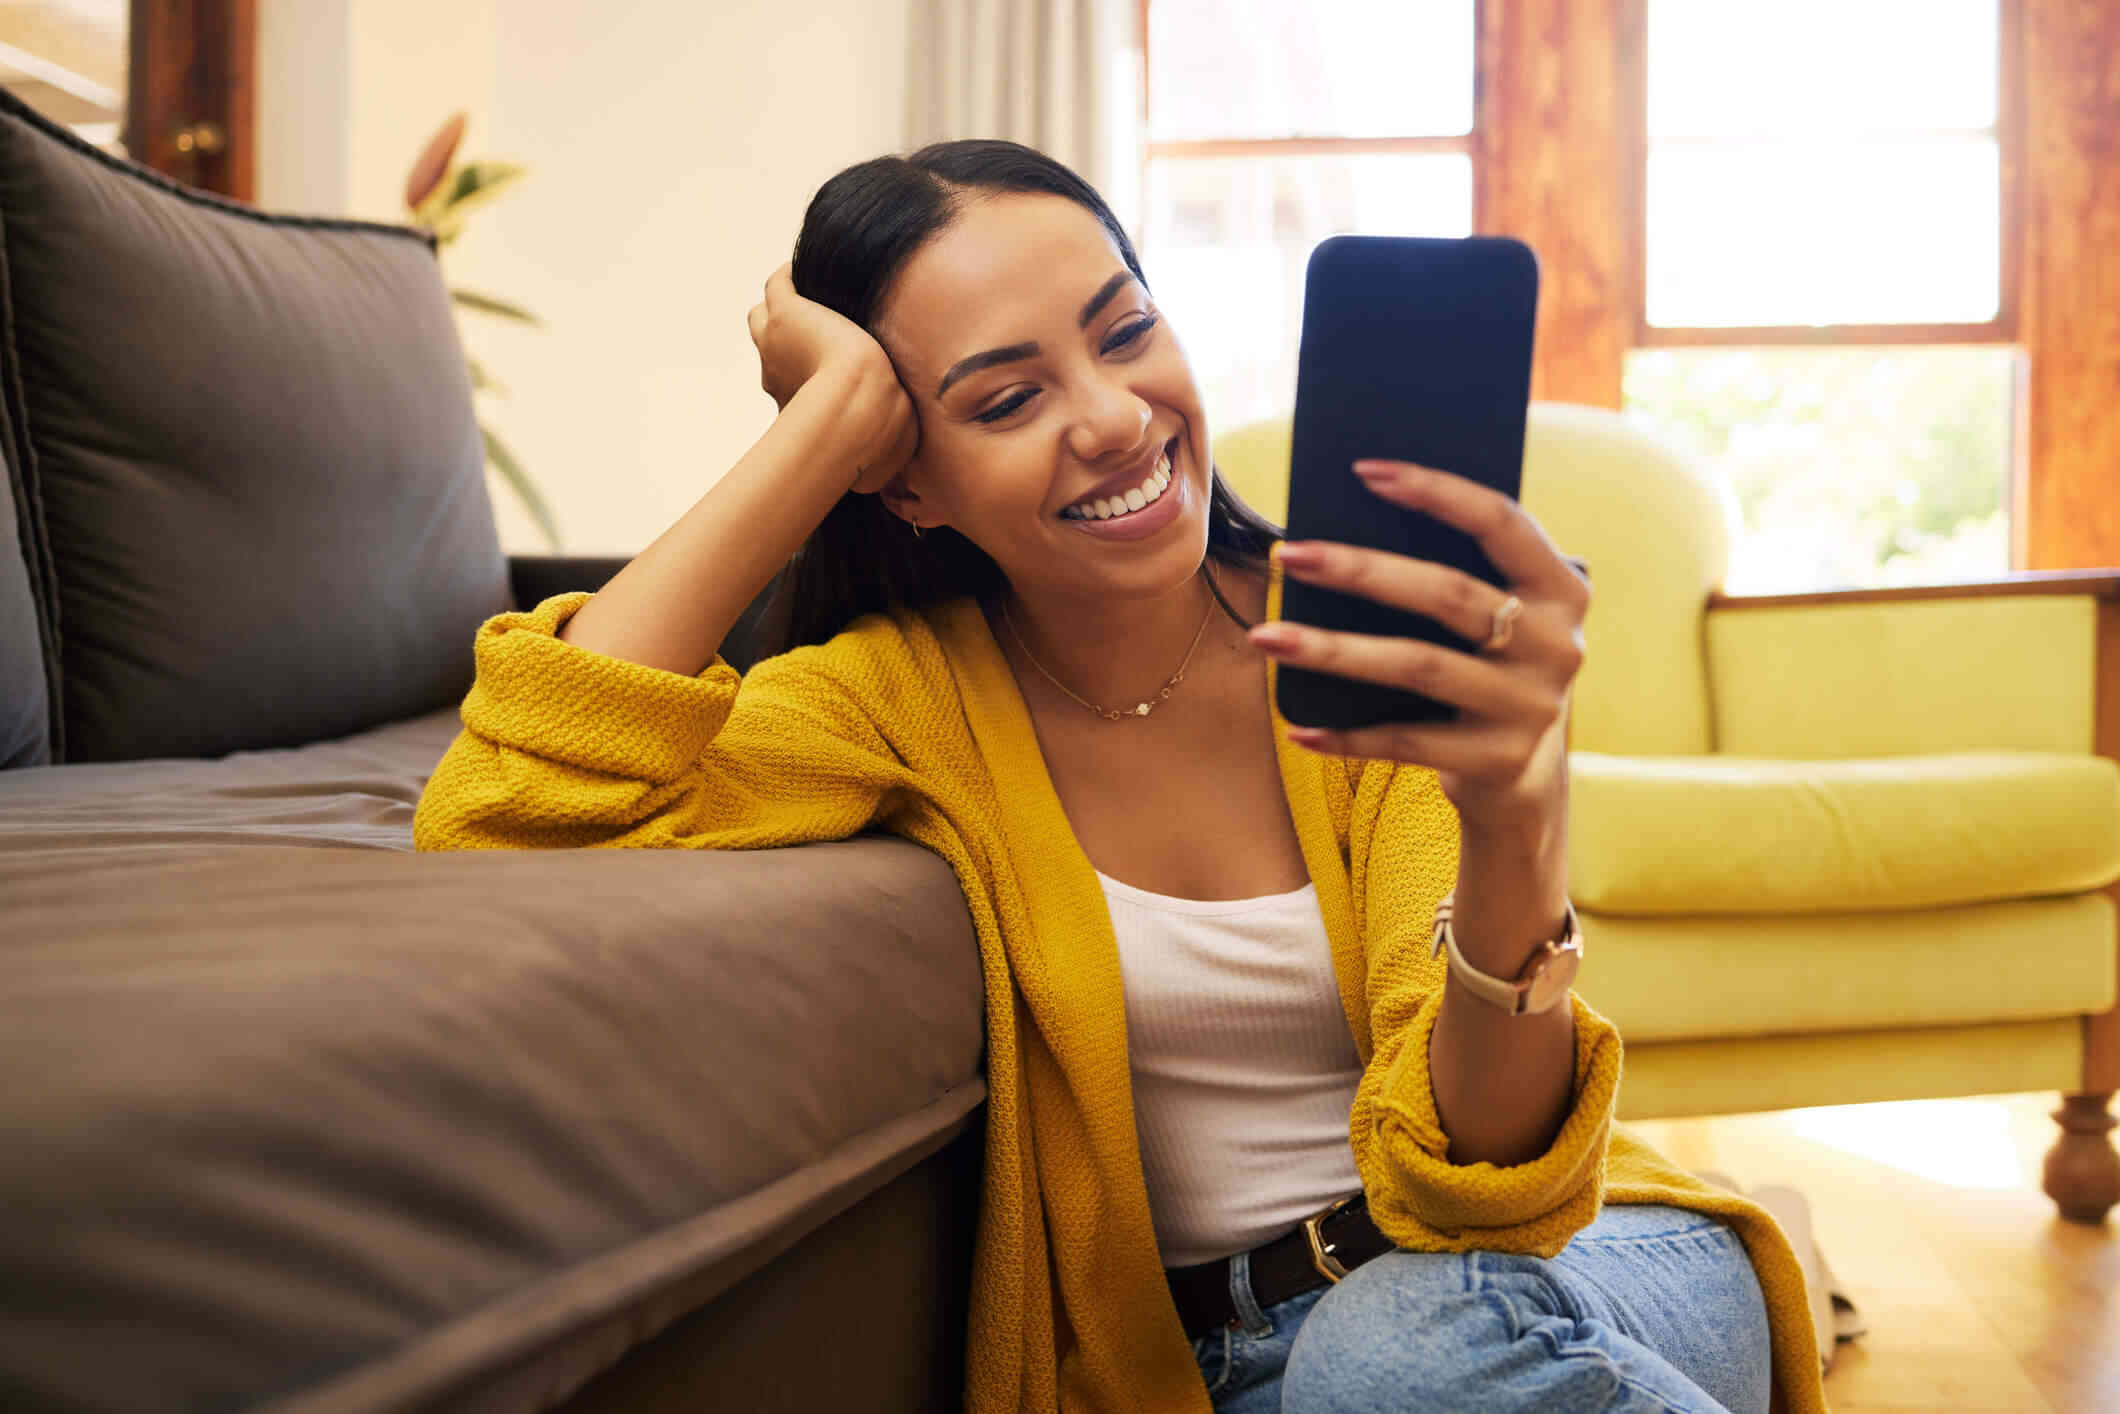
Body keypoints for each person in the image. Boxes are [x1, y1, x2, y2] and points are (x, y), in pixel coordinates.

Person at [415, 140, 1827, 1414]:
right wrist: (820, 423)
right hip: (1214, 1367)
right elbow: (509, 812)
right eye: (1010, 396)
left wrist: (1515, 824)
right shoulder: (902, 701)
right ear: (905, 478)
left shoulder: (1356, 646)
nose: (1110, 417)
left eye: (1126, 332)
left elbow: (1488, 1186)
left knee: (1397, 1357)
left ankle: (1763, 1266)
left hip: (1558, 1260)